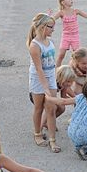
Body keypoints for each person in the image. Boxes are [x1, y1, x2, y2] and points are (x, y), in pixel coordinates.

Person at [27, 14, 60, 153]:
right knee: (39, 108)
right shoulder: (35, 45)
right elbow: (39, 69)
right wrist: (45, 87)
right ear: (42, 27)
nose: (53, 30)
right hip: (38, 79)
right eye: (51, 27)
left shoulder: (50, 41)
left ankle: (52, 140)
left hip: (51, 76)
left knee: (51, 109)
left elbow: (52, 62)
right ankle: (37, 134)